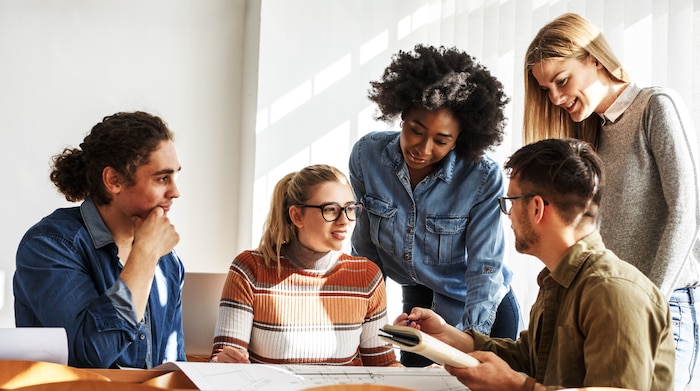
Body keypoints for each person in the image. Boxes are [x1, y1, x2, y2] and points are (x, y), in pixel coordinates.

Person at [397, 138, 675, 390]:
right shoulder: (557, 280)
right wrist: (447, 336)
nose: (508, 215)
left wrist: (515, 386)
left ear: (537, 208)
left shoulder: (613, 293)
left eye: (510, 203)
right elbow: (529, 359)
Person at [523, 12, 700, 390]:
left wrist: (650, 301)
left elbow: (688, 214)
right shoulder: (592, 134)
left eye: (562, 80)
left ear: (594, 59)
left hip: (665, 304)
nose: (554, 98)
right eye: (546, 89)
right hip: (610, 306)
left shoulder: (656, 106)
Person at [349, 44, 520, 366]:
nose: (423, 148)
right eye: (416, 130)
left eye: (441, 141)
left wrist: (473, 340)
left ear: (460, 139)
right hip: (420, 298)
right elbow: (366, 253)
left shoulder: (482, 178)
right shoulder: (366, 156)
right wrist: (364, 332)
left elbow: (485, 266)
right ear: (402, 116)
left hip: (482, 306)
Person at [13, 111, 185, 368]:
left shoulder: (168, 263)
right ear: (113, 180)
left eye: (175, 176)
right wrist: (145, 255)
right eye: (162, 178)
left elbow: (171, 366)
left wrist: (214, 370)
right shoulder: (48, 245)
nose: (175, 192)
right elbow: (90, 355)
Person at [210, 164, 399, 367]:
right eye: (331, 210)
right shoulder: (250, 269)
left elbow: (382, 366)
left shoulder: (366, 276)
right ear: (297, 216)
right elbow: (224, 363)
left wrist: (428, 376)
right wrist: (223, 362)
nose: (344, 220)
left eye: (350, 208)